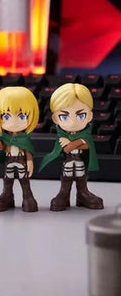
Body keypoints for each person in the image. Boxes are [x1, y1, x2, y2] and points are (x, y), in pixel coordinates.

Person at [40, 83, 103, 211]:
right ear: (55, 118)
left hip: (79, 161)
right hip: (68, 161)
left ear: (89, 116)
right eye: (64, 116)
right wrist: (79, 142)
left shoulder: (85, 135)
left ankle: (82, 195)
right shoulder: (62, 136)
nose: (73, 122)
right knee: (67, 178)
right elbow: (66, 149)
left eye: (81, 116)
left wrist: (75, 142)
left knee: (81, 178)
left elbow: (87, 146)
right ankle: (64, 196)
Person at [0, 86, 39, 212]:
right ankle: (7, 196)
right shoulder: (4, 137)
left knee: (24, 181)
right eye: (6, 117)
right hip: (9, 160)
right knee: (8, 180)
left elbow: (27, 149)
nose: (13, 123)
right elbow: (2, 148)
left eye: (22, 116)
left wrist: (29, 161)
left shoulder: (24, 138)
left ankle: (28, 197)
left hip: (21, 160)